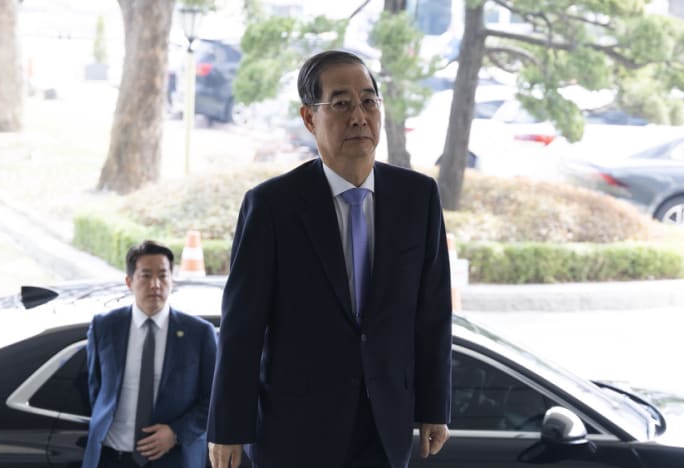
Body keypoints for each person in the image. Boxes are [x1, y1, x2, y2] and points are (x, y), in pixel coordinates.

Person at [207, 50, 453, 468]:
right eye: (341, 104)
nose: (359, 116)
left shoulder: (417, 198)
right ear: (309, 118)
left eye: (368, 101)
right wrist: (228, 427)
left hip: (384, 424)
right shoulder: (272, 206)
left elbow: (432, 313)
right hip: (295, 430)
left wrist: (434, 406)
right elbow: (242, 326)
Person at [84, 240, 218, 468]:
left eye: (163, 276)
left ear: (172, 281)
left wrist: (176, 432)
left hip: (173, 459)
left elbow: (214, 399)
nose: (155, 284)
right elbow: (97, 390)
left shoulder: (199, 333)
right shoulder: (104, 327)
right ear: (129, 282)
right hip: (112, 457)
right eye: (146, 276)